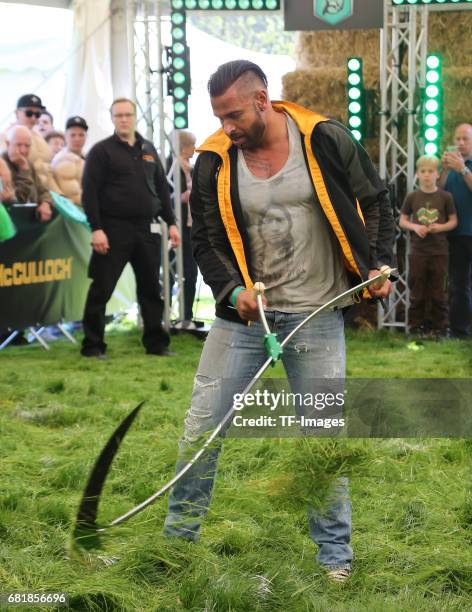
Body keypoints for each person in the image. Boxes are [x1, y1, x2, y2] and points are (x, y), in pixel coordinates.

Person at [163, 60, 395, 582]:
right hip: (244, 322)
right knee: (202, 429)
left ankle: (335, 558)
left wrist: (376, 262)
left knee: (321, 438)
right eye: (219, 117)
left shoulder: (324, 137)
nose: (228, 127)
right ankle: (176, 544)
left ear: (263, 100)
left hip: (315, 315)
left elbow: (377, 199)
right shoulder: (214, 160)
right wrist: (232, 291)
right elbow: (205, 239)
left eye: (235, 114)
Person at [80, 97, 181, 359]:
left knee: (151, 289)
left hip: (147, 229)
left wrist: (172, 223)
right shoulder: (101, 151)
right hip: (112, 229)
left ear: (135, 116)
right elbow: (89, 193)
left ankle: (156, 344)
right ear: (112, 119)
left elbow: (161, 187)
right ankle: (92, 346)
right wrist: (96, 229)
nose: (123, 119)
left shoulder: (148, 148)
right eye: (118, 115)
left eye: (127, 114)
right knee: (101, 288)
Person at [399, 155, 457, 338]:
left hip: (439, 251)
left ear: (437, 174)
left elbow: (453, 221)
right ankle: (415, 329)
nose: (426, 175)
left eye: (430, 171)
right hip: (418, 252)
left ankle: (440, 329)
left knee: (439, 291)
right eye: (423, 171)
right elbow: (402, 220)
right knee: (417, 290)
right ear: (417, 174)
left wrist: (439, 227)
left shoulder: (445, 197)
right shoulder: (412, 196)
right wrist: (415, 227)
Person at [440, 123, 472, 339]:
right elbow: (437, 192)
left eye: (465, 139)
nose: (460, 143)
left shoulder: (464, 167)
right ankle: (459, 331)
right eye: (457, 139)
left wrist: (463, 169)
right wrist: (444, 169)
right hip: (457, 234)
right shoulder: (451, 168)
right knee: (458, 284)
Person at [167, 130, 199, 328]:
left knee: (191, 271)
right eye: (192, 145)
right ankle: (166, 313)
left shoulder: (192, 169)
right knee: (170, 271)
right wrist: (181, 197)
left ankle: (186, 315)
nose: (195, 149)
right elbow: (165, 195)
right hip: (174, 226)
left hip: (190, 227)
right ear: (184, 146)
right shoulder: (169, 166)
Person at [0, 94, 56, 191]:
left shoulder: (40, 137)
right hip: (23, 194)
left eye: (38, 114)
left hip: (46, 195)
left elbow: (48, 172)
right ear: (17, 113)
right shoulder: (7, 136)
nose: (34, 118)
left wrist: (59, 194)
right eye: (29, 113)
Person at [1, 125, 52, 222]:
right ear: (8, 144)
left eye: (27, 146)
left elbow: (43, 191)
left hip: (32, 221)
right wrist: (24, 169)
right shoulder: (3, 166)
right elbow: (20, 200)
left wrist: (46, 203)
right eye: (19, 145)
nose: (23, 150)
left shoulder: (27, 163)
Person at [51, 116, 88, 206]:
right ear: (65, 136)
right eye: (73, 135)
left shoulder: (85, 157)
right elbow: (73, 195)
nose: (77, 139)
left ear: (86, 136)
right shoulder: (64, 159)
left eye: (81, 135)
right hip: (75, 212)